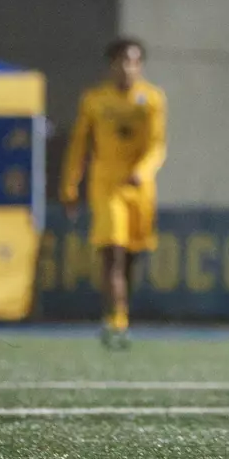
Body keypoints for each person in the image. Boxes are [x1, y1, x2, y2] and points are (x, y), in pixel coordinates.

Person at [60, 37, 167, 350]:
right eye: (121, 61)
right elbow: (79, 145)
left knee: (131, 257)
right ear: (111, 65)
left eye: (133, 61)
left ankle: (120, 315)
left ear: (141, 66)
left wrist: (143, 171)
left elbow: (157, 145)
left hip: (140, 189)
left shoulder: (152, 99)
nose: (127, 68)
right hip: (106, 186)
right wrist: (69, 186)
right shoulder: (95, 100)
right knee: (113, 251)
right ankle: (116, 321)